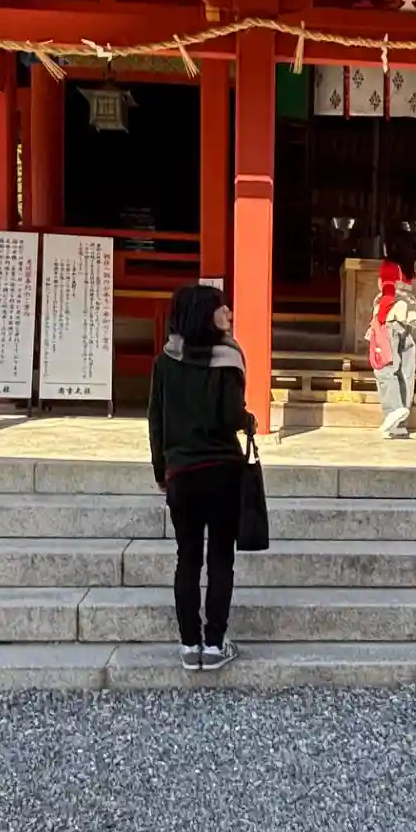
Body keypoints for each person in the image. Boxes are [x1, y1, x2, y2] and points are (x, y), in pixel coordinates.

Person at [148, 284, 255, 672]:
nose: (228, 312)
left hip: (182, 474)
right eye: (221, 307)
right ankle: (214, 645)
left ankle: (189, 644)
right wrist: (248, 419)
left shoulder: (164, 361)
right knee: (220, 558)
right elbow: (231, 416)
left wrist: (162, 472)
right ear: (204, 314)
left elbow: (156, 423)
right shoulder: (227, 357)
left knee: (188, 557)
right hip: (222, 471)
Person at [368, 238, 416, 439]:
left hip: (390, 319)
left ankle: (393, 409)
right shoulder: (407, 270)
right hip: (406, 322)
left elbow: (388, 294)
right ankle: (399, 424)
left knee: (384, 367)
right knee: (404, 372)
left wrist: (379, 319)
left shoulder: (389, 266)